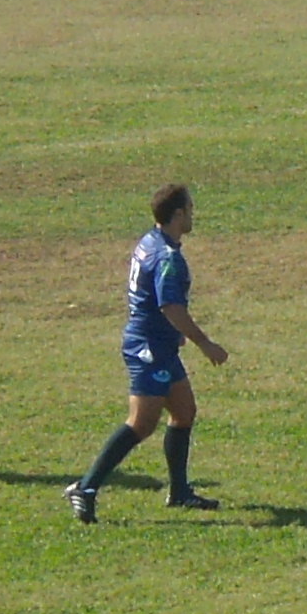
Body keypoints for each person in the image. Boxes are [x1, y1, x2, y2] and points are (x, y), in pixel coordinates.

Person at [65, 183, 228, 522]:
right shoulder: (168, 258)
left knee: (184, 411)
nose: (194, 215)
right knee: (142, 422)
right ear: (178, 214)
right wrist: (203, 342)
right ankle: (86, 487)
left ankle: (180, 492)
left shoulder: (149, 241)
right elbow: (171, 308)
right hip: (148, 348)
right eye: (191, 209)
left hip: (160, 344)